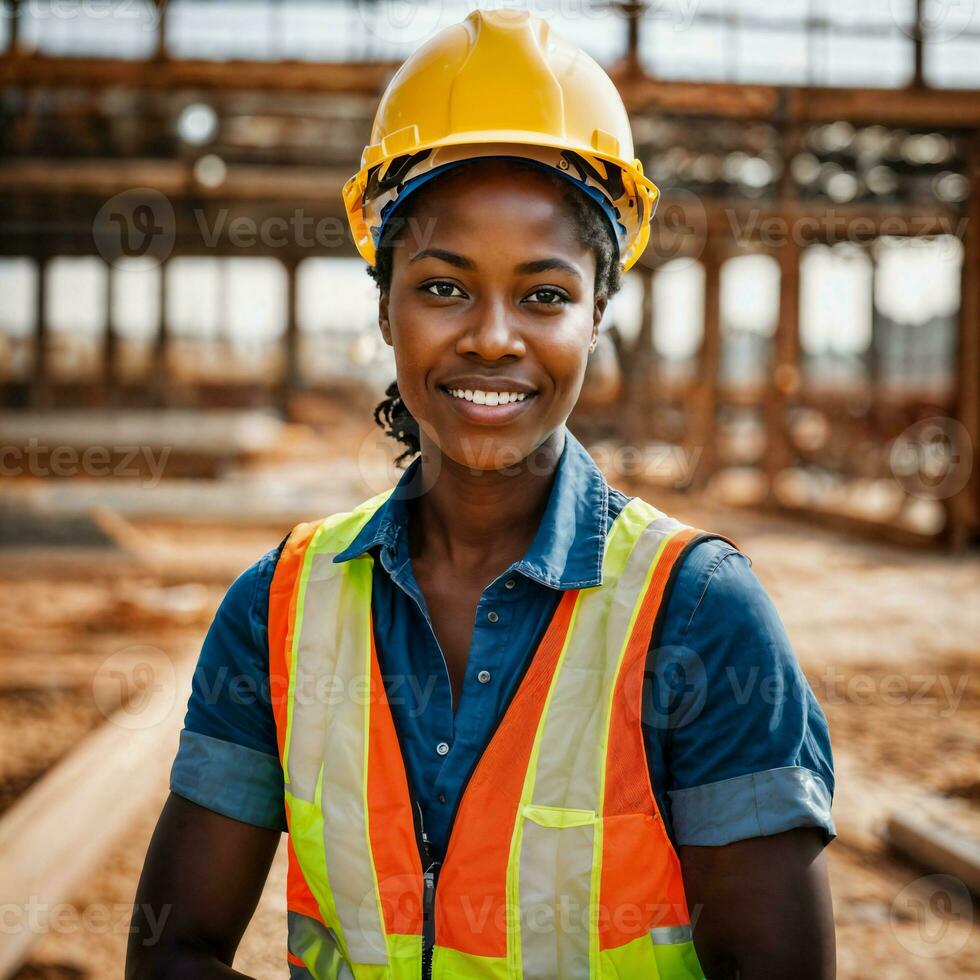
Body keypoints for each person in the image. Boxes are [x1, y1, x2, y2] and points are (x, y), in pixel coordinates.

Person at [127, 9, 836, 979]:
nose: (493, 336)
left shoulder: (697, 614)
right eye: (444, 286)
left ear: (596, 315)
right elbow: (175, 950)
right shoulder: (279, 608)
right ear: (383, 303)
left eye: (542, 295)